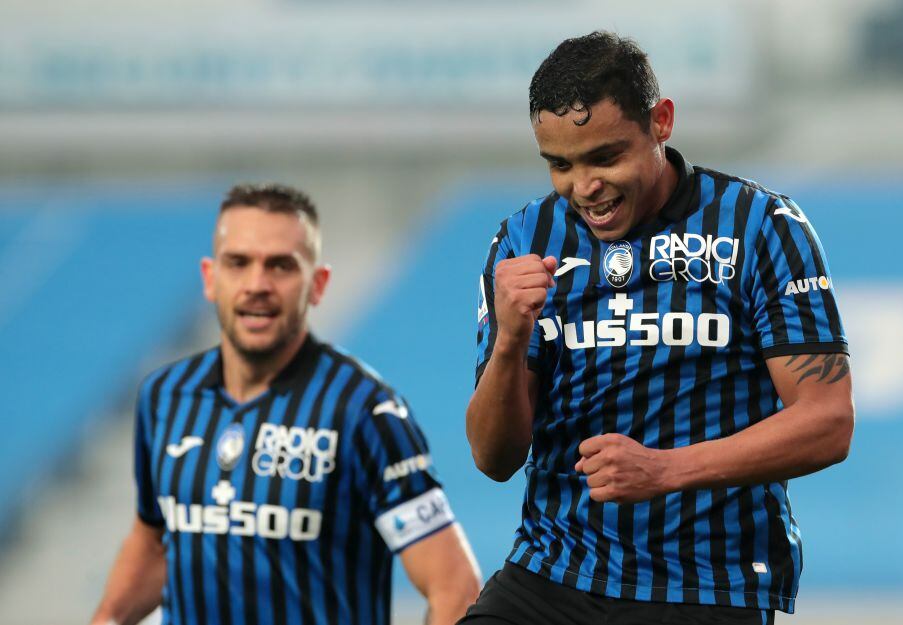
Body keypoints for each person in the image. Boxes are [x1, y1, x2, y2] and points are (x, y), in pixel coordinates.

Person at [464, 32, 854, 625]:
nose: (584, 188)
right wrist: (512, 342)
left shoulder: (760, 228)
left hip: (707, 587)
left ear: (662, 122)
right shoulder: (523, 241)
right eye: (561, 166)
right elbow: (493, 458)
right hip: (552, 573)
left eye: (605, 157)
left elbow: (828, 422)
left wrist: (665, 471)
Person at [92, 184, 481, 625]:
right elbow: (154, 539)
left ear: (318, 285)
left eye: (280, 266)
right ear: (209, 277)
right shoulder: (165, 396)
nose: (257, 285)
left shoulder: (363, 411)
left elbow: (456, 587)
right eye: (238, 263)